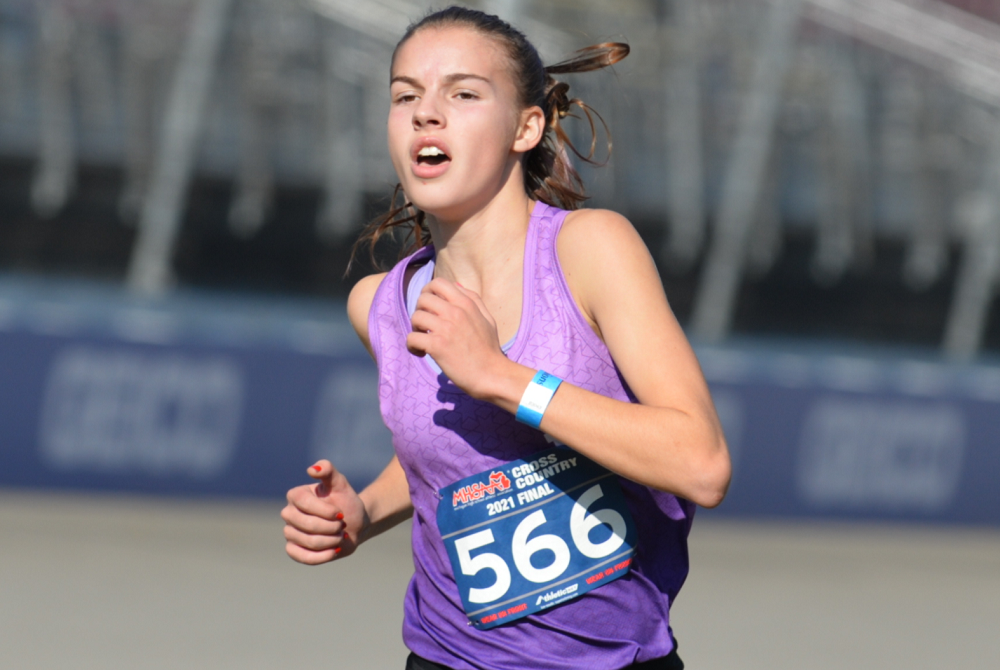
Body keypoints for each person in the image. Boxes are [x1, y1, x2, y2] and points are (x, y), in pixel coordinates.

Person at [281, 7, 731, 669]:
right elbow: (458, 455)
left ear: (527, 127)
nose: (425, 113)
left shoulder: (589, 252)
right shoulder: (379, 304)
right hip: (442, 657)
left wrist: (500, 377)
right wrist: (362, 512)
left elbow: (701, 463)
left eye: (462, 93)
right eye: (405, 95)